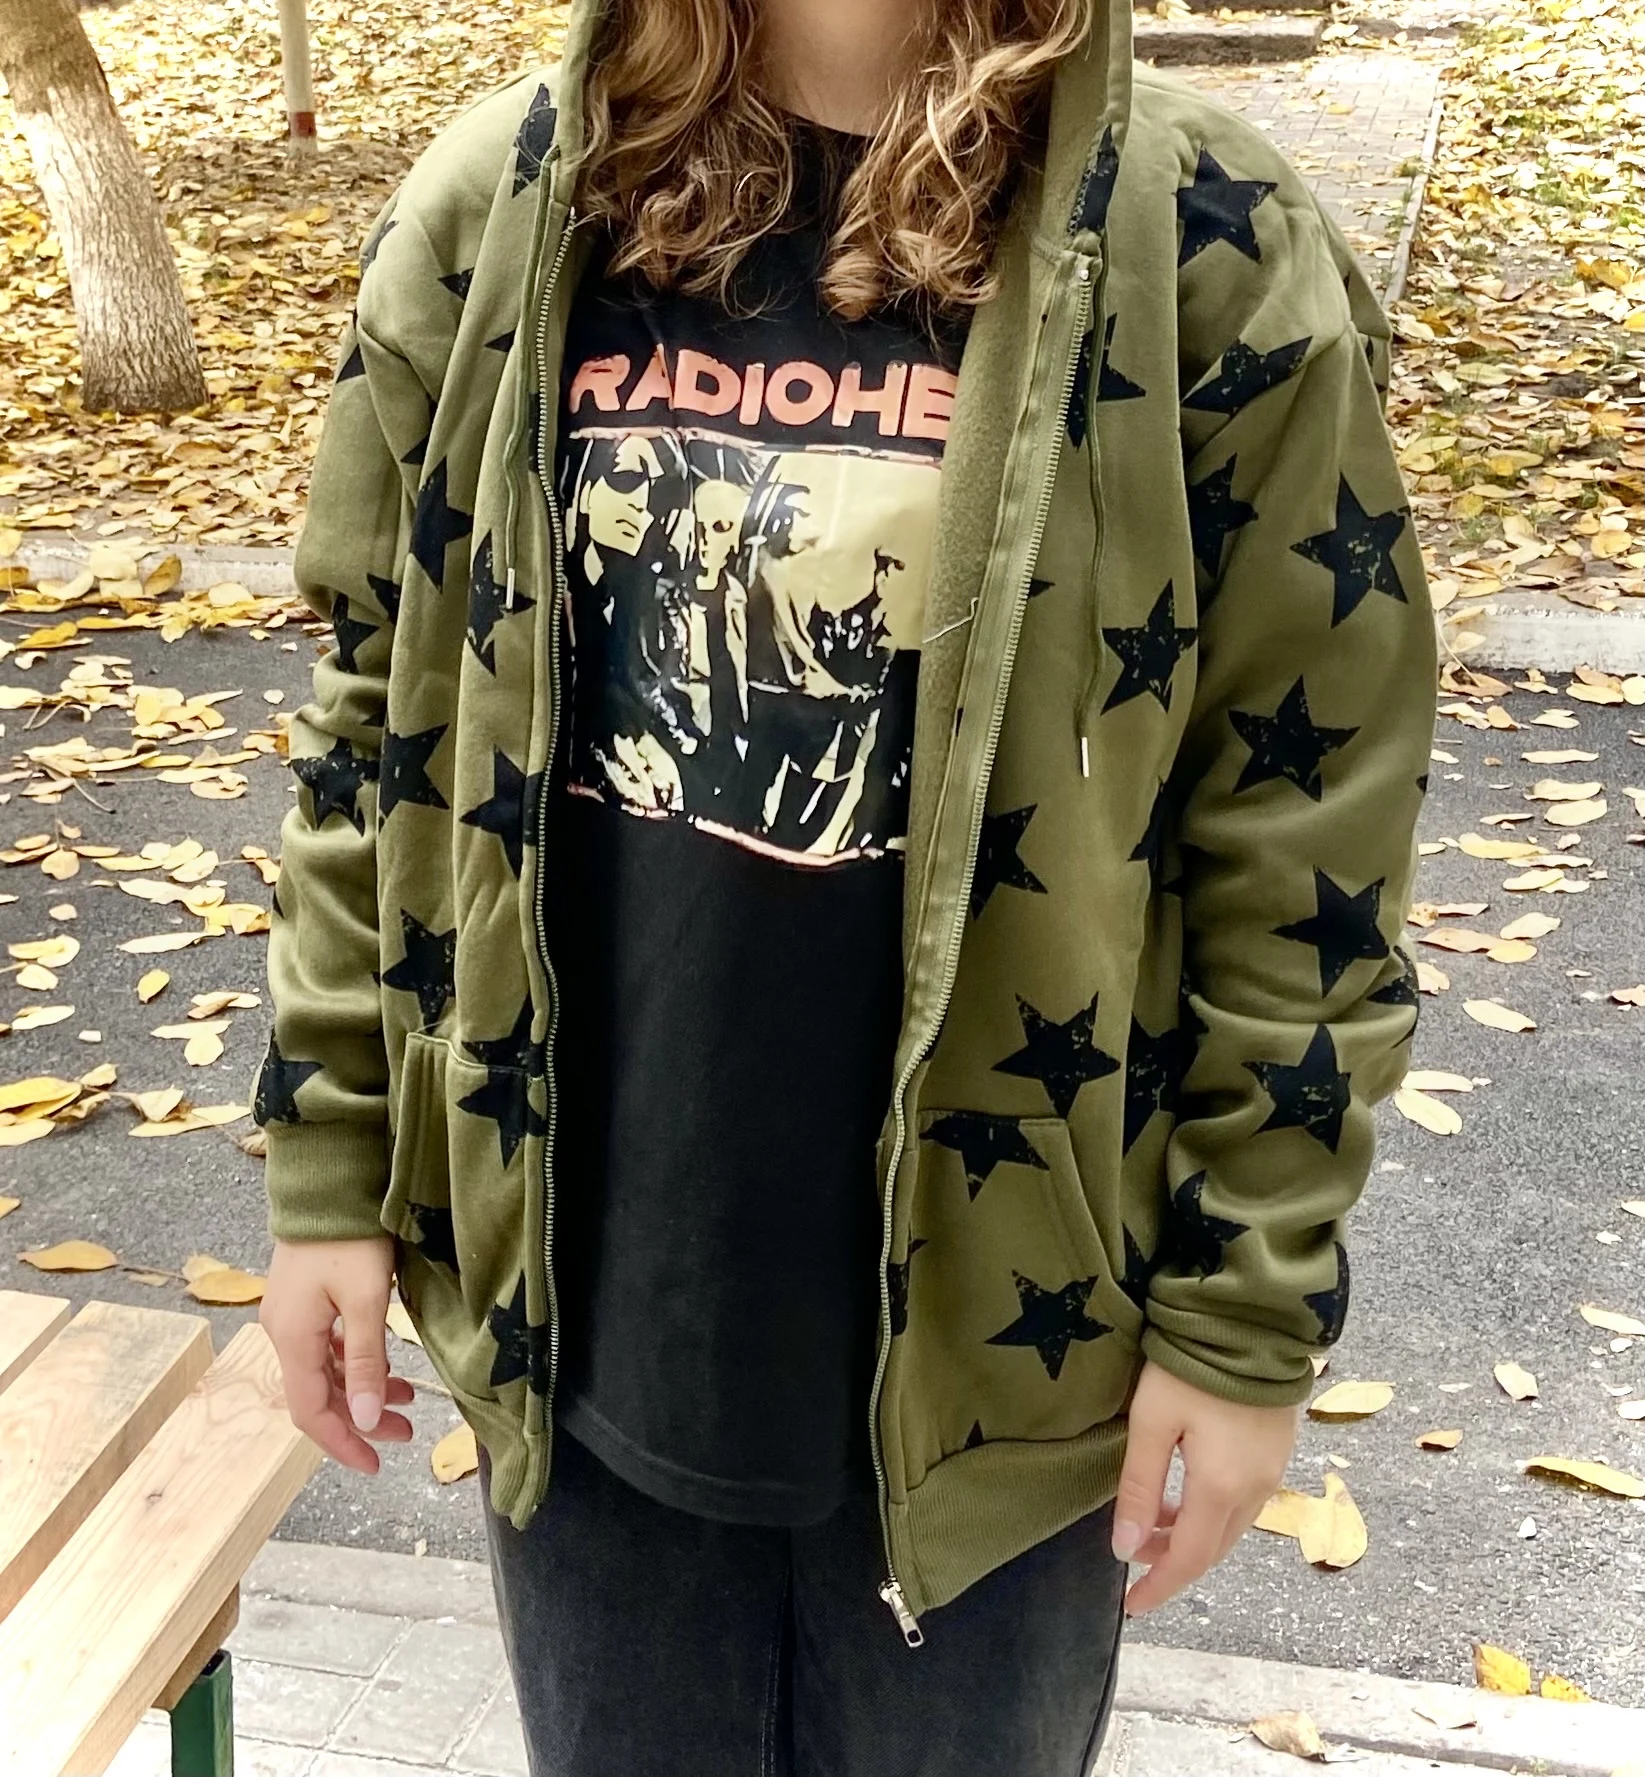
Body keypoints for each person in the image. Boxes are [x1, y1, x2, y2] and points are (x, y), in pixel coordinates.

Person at [254, 0, 1437, 1767]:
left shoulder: (1204, 241)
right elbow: (379, 719)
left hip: (1012, 1367)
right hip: (587, 1335)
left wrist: (1243, 1315)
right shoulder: (504, 203)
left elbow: (1306, 813)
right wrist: (331, 1166)